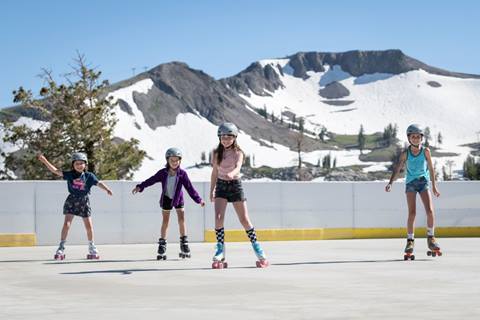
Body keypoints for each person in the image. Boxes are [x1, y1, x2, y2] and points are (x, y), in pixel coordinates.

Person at [210, 122, 269, 268]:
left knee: (244, 219)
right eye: (223, 137)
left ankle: (259, 251)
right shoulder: (216, 153)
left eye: (229, 137)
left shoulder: (238, 153)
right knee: (218, 218)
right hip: (221, 186)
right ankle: (220, 251)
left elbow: (238, 167)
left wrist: (232, 173)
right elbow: (215, 172)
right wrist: (212, 189)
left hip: (235, 185)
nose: (226, 140)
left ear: (234, 138)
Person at [132, 147, 205, 260]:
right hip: (166, 199)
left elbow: (190, 188)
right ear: (167, 160)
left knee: (181, 220)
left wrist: (198, 199)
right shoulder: (163, 173)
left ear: (180, 161)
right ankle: (162, 245)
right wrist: (140, 186)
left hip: (178, 199)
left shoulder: (182, 174)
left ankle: (184, 243)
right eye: (172, 160)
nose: (175, 163)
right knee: (165, 221)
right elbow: (151, 180)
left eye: (177, 160)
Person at [38, 152, 113, 260]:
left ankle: (92, 247)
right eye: (77, 163)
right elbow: (55, 171)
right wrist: (45, 161)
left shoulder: (89, 176)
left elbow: (98, 183)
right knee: (67, 224)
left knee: (89, 226)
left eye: (81, 163)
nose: (79, 165)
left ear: (85, 164)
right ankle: (61, 247)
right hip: (72, 200)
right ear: (73, 165)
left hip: (84, 201)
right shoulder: (70, 174)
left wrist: (107, 189)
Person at [385, 124, 441, 259]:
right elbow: (398, 168)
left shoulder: (426, 151)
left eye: (418, 137)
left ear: (421, 138)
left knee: (430, 211)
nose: (415, 139)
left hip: (423, 182)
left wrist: (434, 186)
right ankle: (410, 241)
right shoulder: (406, 153)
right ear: (409, 138)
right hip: (410, 183)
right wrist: (390, 183)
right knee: (412, 212)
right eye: (413, 137)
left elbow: (432, 169)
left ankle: (431, 238)